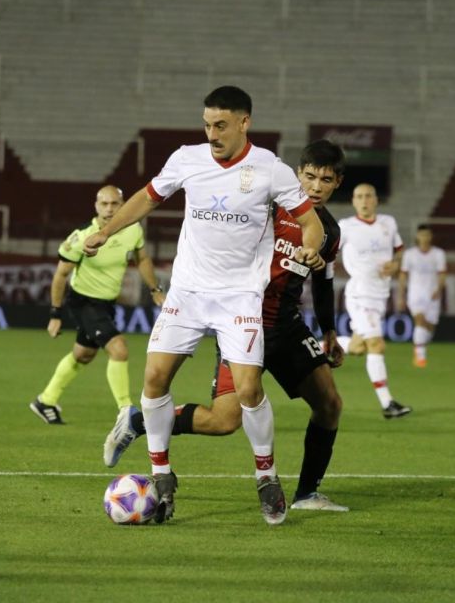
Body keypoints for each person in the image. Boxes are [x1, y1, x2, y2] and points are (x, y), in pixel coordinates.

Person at [84, 86, 324, 526]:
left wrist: (311, 247)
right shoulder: (186, 159)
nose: (211, 133)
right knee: (154, 378)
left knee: (249, 390)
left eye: (220, 125)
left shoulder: (270, 169)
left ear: (244, 123)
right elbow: (146, 196)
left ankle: (267, 477)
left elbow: (311, 223)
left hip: (240, 297)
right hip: (188, 291)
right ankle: (161, 476)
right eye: (207, 124)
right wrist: (107, 231)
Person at [29, 185, 165, 425]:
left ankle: (46, 400)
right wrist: (55, 313)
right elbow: (60, 275)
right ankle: (126, 410)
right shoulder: (82, 236)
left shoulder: (132, 229)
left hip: (106, 304)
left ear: (123, 205)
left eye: (115, 204)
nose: (109, 209)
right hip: (83, 301)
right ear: (96, 206)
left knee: (83, 354)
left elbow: (142, 258)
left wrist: (155, 290)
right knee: (119, 349)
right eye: (104, 204)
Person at [337, 184, 410, 418]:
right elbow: (327, 251)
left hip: (380, 294)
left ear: (376, 200)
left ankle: (315, 347)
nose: (364, 200)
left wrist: (397, 264)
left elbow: (399, 250)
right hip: (360, 294)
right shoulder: (346, 227)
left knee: (358, 347)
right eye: (359, 196)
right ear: (353, 201)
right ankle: (388, 404)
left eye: (369, 196)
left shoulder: (388, 223)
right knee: (377, 345)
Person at [396, 224, 447, 367]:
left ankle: (420, 346)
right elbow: (403, 275)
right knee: (420, 320)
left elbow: (442, 274)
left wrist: (439, 289)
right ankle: (420, 357)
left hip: (432, 296)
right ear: (417, 236)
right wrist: (400, 296)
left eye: (427, 235)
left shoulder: (438, 254)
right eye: (422, 234)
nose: (424, 237)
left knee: (429, 328)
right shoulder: (410, 254)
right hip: (415, 294)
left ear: (431, 237)